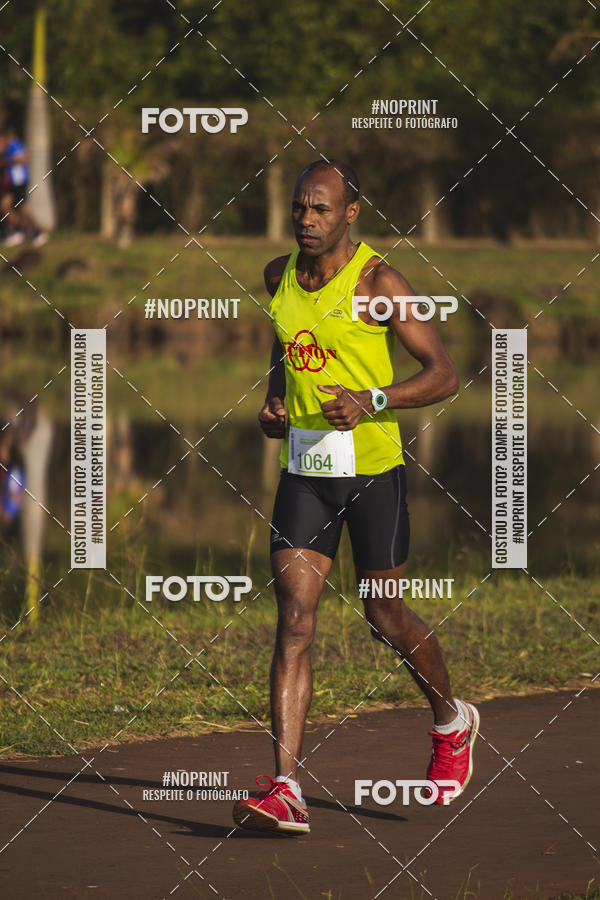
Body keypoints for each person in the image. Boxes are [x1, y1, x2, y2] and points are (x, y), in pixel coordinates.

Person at [233, 160, 478, 835]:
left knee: (384, 616)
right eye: (298, 209)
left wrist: (372, 398)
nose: (306, 221)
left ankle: (451, 723)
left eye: (319, 209)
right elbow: (288, 349)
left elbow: (444, 374)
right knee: (295, 618)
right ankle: (286, 788)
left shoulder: (381, 284)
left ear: (349, 213)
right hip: (306, 470)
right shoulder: (276, 276)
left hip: (372, 470)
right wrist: (273, 403)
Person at [0, 128, 47, 247]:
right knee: (5, 206)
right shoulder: (7, 149)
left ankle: (37, 232)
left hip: (19, 182)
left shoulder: (14, 146)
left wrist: (6, 162)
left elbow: (22, 159)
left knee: (22, 207)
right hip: (11, 183)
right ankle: (18, 231)